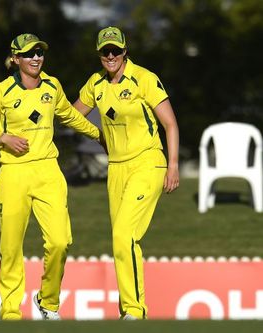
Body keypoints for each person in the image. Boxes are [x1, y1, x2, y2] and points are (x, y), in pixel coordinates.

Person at [0, 33, 102, 320]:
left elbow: (69, 115)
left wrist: (99, 135)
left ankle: (48, 301)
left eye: (40, 53)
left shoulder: (52, 85)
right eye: (29, 54)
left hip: (48, 171)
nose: (36, 58)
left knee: (60, 241)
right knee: (10, 246)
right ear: (15, 58)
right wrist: (3, 138)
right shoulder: (1, 91)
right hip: (14, 173)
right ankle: (10, 311)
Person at [73, 26, 180, 320]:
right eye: (105, 51)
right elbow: (71, 115)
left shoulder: (144, 78)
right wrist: (97, 135)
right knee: (121, 240)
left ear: (124, 51)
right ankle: (128, 310)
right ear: (99, 54)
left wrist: (172, 165)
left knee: (124, 234)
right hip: (116, 168)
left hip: (148, 162)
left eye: (115, 51)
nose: (111, 56)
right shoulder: (95, 83)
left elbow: (170, 123)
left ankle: (135, 310)